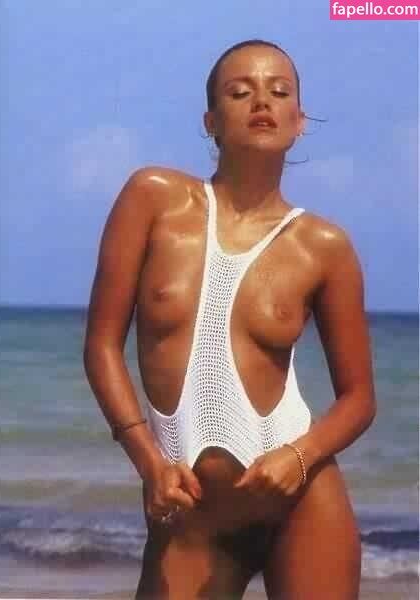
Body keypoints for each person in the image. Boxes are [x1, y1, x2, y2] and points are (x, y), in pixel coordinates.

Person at [83, 39, 376, 600]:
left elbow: (359, 399)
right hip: (191, 513)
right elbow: (101, 346)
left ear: (298, 122)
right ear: (211, 122)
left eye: (279, 92)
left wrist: (299, 457)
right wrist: (149, 464)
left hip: (300, 499)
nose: (261, 101)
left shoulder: (325, 247)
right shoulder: (153, 199)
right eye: (240, 92)